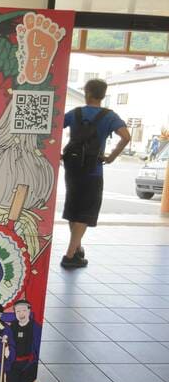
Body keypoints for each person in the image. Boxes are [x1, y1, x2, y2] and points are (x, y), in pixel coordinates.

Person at [62, 79, 130, 268]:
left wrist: (59, 153)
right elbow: (126, 137)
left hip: (72, 169)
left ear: (88, 92)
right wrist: (111, 157)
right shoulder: (109, 116)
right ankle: (69, 256)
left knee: (74, 209)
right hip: (93, 171)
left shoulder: (75, 113)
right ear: (103, 94)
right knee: (85, 213)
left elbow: (52, 128)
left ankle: (77, 249)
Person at [5, 299, 41, 382]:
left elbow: (38, 349)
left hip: (30, 365)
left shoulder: (36, 328)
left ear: (29, 311)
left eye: (24, 310)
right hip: (14, 364)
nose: (21, 314)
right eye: (18, 311)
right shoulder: (12, 327)